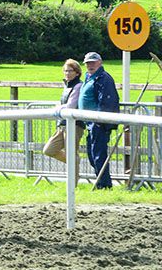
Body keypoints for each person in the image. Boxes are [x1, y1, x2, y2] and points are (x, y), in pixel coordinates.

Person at [78, 52, 119, 189]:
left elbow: (107, 101)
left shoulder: (104, 78)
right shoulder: (89, 77)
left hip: (99, 123)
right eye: (88, 63)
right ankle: (101, 182)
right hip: (89, 123)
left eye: (93, 62)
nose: (91, 65)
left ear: (100, 62)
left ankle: (104, 185)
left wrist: (99, 121)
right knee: (92, 154)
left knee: (98, 155)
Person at [43, 59, 85, 166]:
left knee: (70, 153)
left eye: (70, 71)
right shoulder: (67, 85)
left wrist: (56, 109)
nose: (67, 73)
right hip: (62, 124)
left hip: (74, 125)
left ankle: (73, 175)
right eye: (65, 71)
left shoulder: (78, 86)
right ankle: (74, 161)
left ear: (77, 73)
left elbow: (71, 105)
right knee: (48, 150)